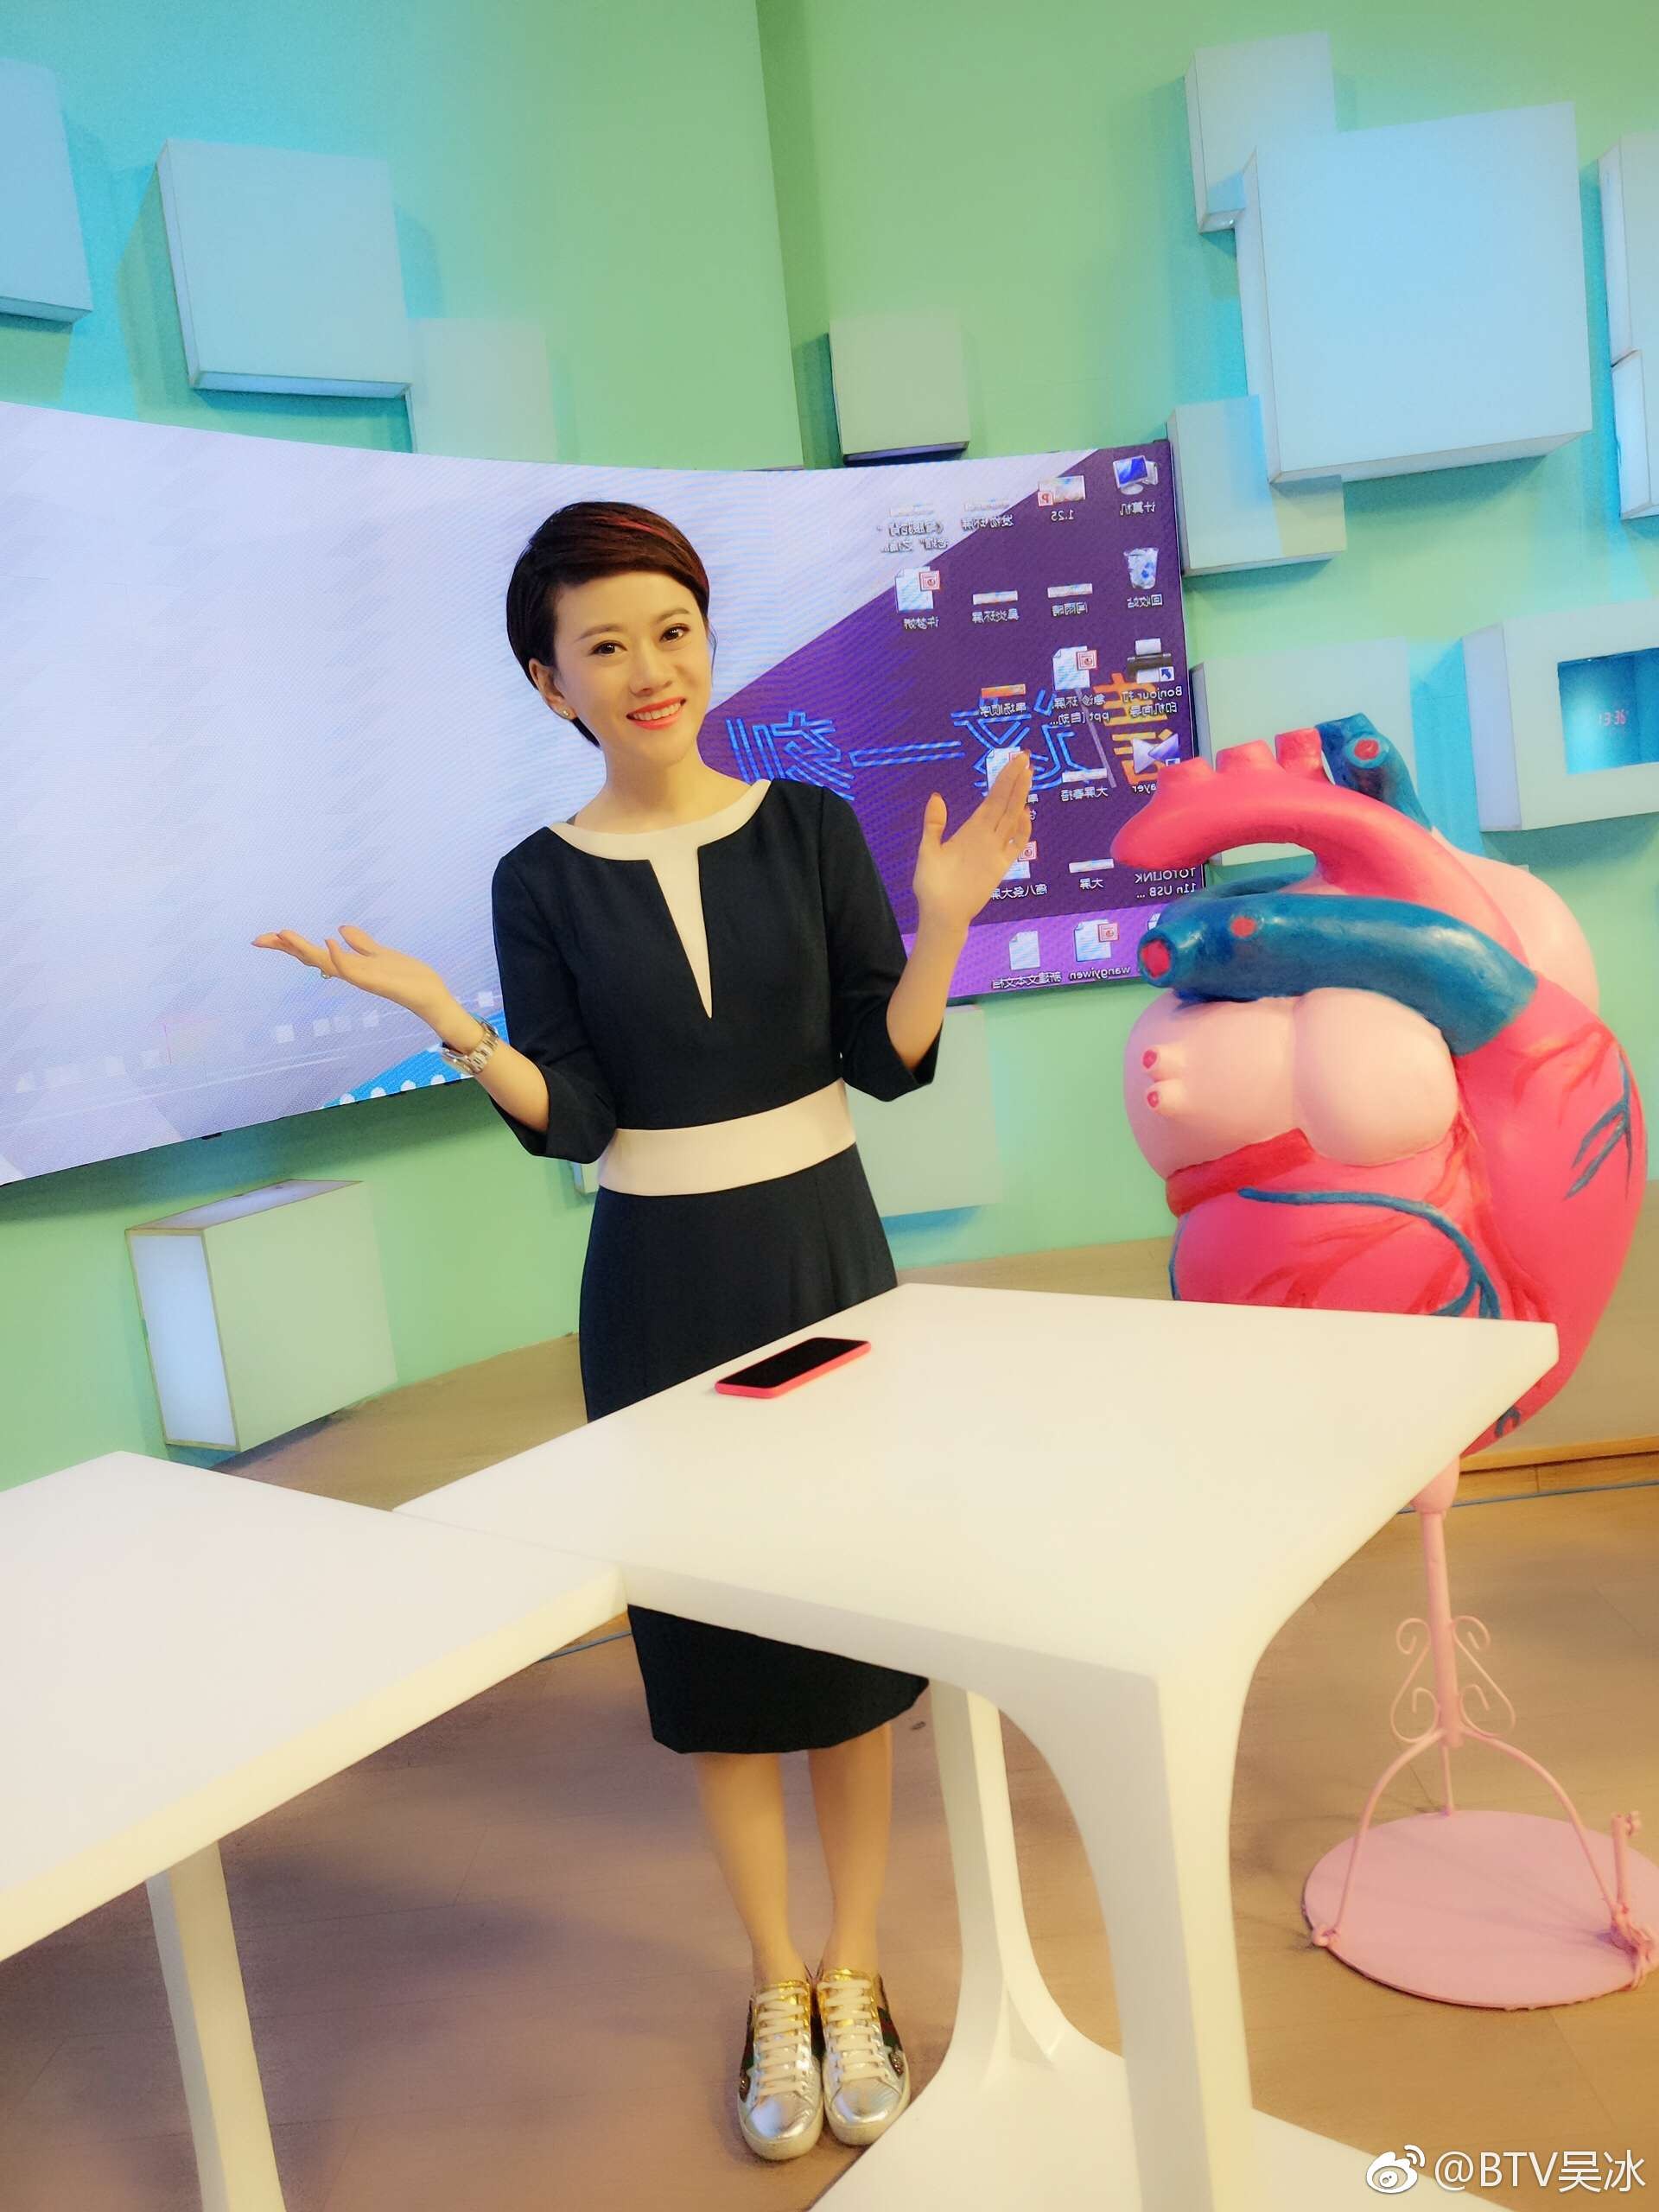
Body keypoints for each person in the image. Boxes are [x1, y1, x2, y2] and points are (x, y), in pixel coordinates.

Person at [254, 499, 1032, 2164]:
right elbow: (580, 1118)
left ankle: (854, 1968)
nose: (649, 667)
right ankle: (772, 1979)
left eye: (671, 629)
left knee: (850, 1632)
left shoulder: (810, 825)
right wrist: (450, 1022)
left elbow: (883, 1061)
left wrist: (950, 921)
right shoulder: (536, 880)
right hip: (659, 1284)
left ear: (706, 638)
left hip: (825, 1257)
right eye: (604, 645)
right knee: (717, 1649)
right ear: (552, 684)